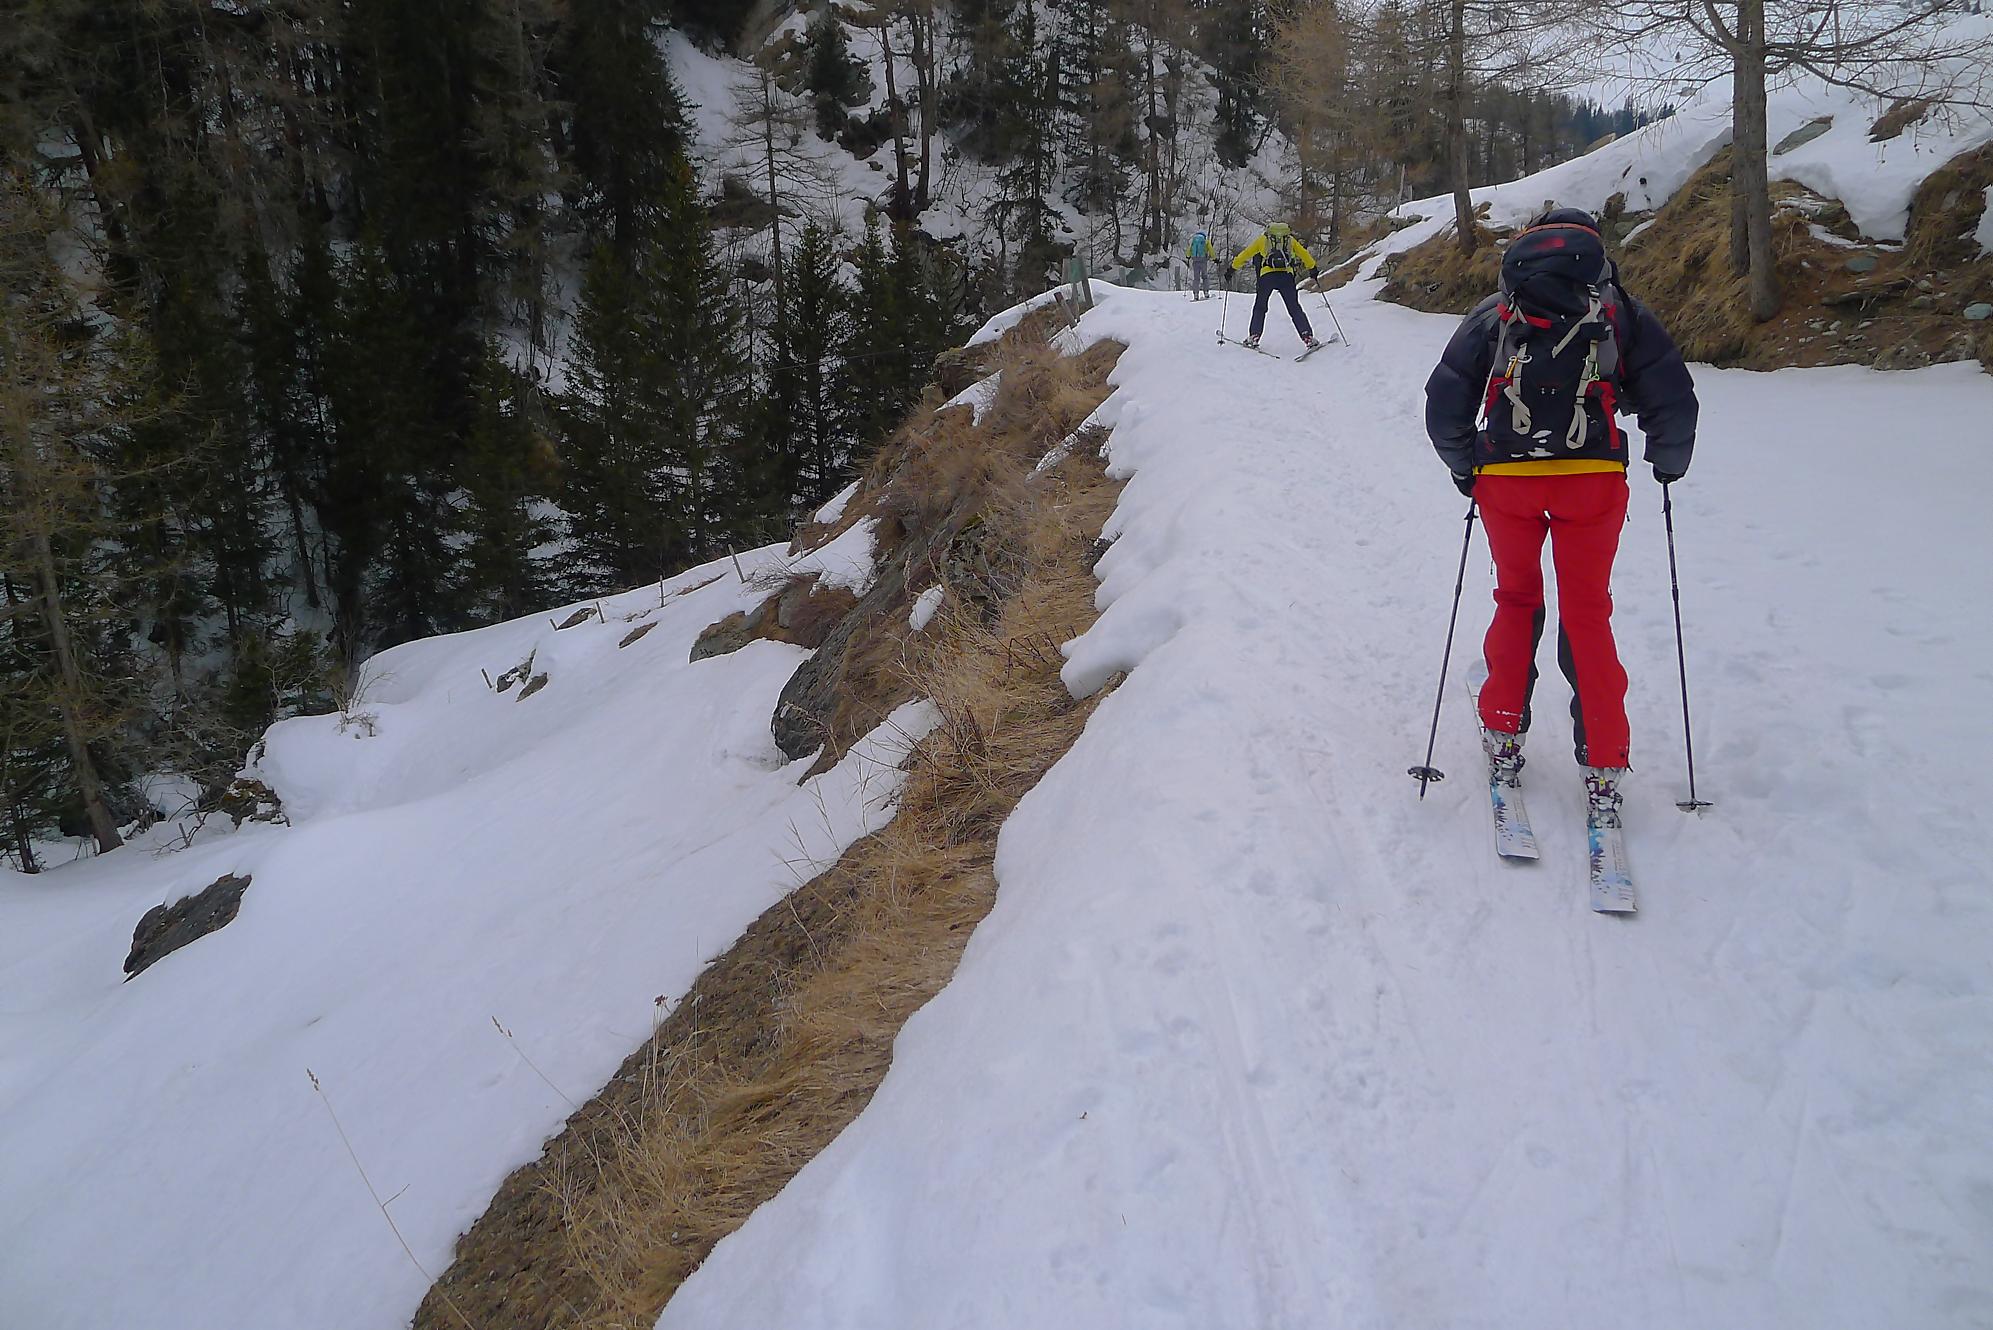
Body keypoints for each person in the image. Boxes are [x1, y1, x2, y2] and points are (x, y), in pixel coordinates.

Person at [1422, 206, 1698, 824]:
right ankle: (1604, 759)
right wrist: (1668, 462)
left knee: (1517, 599)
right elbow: (1673, 397)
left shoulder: (1496, 313)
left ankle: (1502, 733)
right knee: (1587, 611)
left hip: (1507, 479)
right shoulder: (1619, 311)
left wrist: (1466, 468)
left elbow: (1445, 400)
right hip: (1592, 480)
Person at [1229, 221, 1320, 349]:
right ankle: (1308, 337)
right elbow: (1304, 253)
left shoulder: (1263, 240)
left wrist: (1233, 268)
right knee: (1294, 308)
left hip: (1267, 276)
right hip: (1286, 276)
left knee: (1260, 307)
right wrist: (1312, 268)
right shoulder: (1290, 240)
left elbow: (1246, 253)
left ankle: (1254, 336)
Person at [1186, 228, 1214, 300]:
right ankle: (1206, 292)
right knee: (1205, 276)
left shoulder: (1193, 240)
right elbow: (1211, 249)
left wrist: (1188, 256)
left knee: (1196, 278)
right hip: (1203, 260)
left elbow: (1189, 249)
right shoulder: (1206, 241)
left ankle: (1196, 294)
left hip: (1195, 260)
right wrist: (1215, 258)